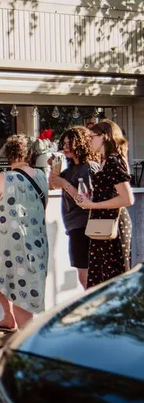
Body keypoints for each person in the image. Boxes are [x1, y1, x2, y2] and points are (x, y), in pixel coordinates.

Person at [0, 135, 48, 333]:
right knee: (19, 283)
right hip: (37, 241)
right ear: (30, 154)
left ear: (8, 155)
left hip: (9, 243)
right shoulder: (40, 176)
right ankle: (9, 319)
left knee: (14, 287)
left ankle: (26, 340)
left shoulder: (3, 178)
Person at [75, 120, 134, 288]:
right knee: (101, 276)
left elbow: (128, 199)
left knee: (112, 278)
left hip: (113, 223)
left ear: (105, 137)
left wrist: (92, 205)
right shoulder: (105, 161)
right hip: (103, 222)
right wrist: (90, 198)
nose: (89, 141)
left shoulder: (113, 161)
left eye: (92, 137)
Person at [48, 126, 100, 288]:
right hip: (75, 227)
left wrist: (64, 183)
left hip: (87, 226)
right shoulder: (70, 170)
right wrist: (54, 168)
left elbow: (86, 201)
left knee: (88, 277)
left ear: (81, 143)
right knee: (84, 275)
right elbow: (52, 185)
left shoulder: (89, 167)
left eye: (69, 143)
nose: (65, 147)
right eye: (63, 143)